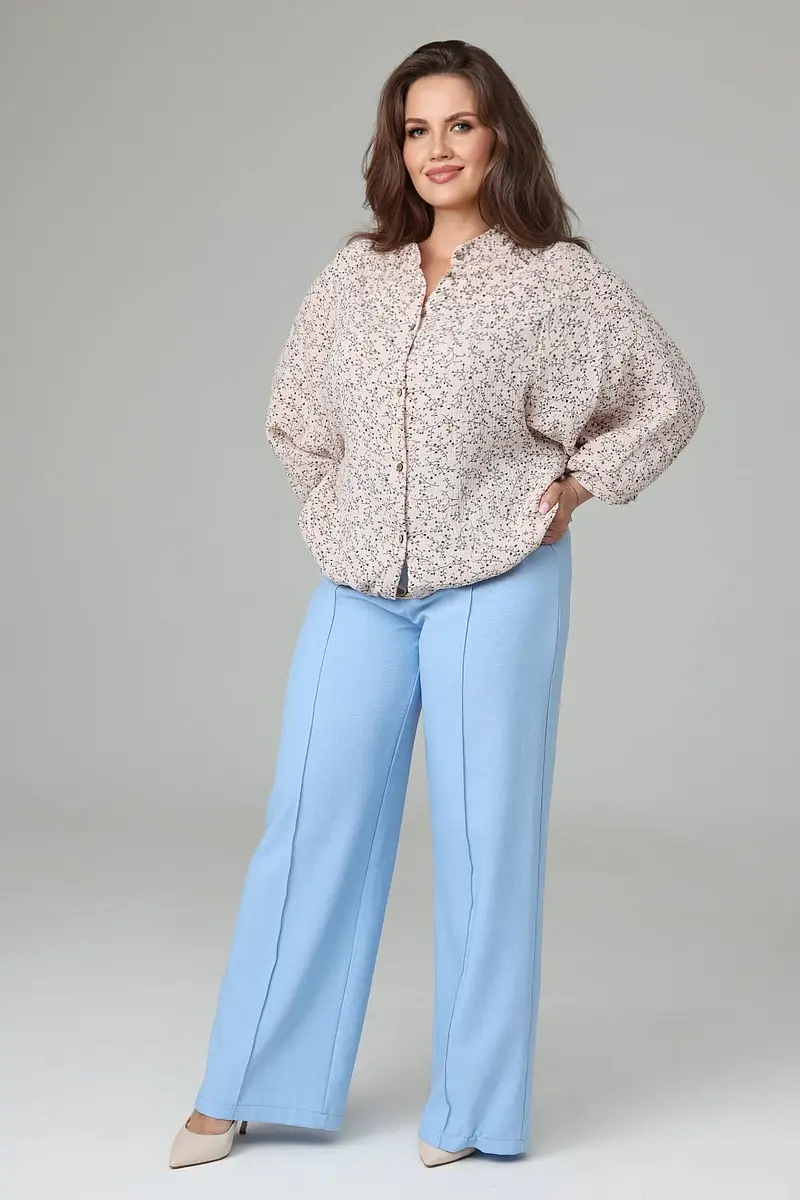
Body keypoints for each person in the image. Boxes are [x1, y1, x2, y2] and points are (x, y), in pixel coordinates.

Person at [169, 38, 704, 1170]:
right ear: (395, 147)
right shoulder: (353, 276)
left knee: (484, 842)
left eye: (459, 124)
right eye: (417, 130)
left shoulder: (553, 279)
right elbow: (295, 418)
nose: (438, 149)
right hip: (360, 591)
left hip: (497, 585)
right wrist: (340, 511)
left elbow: (665, 394)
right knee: (307, 820)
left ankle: (471, 1110)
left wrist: (576, 488)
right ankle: (246, 1082)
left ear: (499, 134)